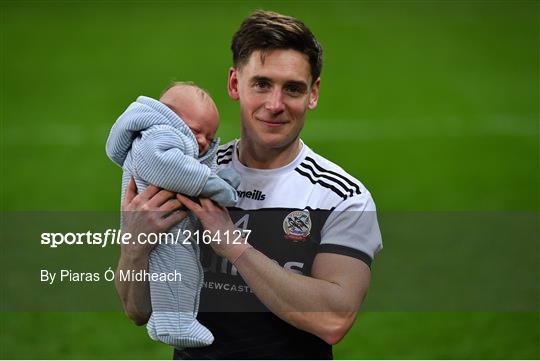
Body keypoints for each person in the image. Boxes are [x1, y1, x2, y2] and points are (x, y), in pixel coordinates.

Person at [115, 10, 383, 359]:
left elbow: (333, 320)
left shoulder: (341, 197)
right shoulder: (186, 174)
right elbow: (139, 311)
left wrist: (234, 247)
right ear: (234, 84)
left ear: (313, 94)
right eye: (262, 84)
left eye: (293, 89)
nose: (275, 104)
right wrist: (135, 246)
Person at [106, 82, 239, 349]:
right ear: (169, 119)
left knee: (183, 270)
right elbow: (177, 170)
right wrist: (218, 187)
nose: (202, 142)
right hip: (165, 230)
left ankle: (174, 321)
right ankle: (175, 323)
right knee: (176, 267)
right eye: (195, 132)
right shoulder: (157, 137)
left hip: (172, 226)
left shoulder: (187, 149)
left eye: (210, 137)